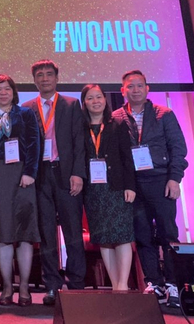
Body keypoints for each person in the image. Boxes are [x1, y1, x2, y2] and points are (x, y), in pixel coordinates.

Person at [112, 70, 188, 307]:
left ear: (147, 88)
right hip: (133, 185)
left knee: (168, 234)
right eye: (129, 87)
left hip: (161, 181)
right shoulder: (116, 117)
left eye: (139, 86)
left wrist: (174, 178)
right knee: (143, 235)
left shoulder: (164, 114)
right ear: (122, 91)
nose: (134, 90)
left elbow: (178, 148)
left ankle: (174, 284)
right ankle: (154, 282)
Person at [21, 60, 86, 305]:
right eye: (40, 75)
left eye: (49, 74)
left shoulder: (71, 104)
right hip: (40, 175)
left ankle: (76, 284)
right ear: (35, 80)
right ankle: (52, 286)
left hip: (66, 173)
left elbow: (79, 142)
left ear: (57, 78)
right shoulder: (27, 107)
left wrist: (78, 173)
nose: (45, 78)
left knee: (72, 232)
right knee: (47, 233)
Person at [0, 74, 40, 306]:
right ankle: (7, 286)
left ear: (13, 92)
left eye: (7, 89)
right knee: (3, 234)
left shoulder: (26, 113)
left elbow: (35, 144)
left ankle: (25, 287)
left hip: (22, 176)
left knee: (25, 235)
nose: (3, 93)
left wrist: (30, 172)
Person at [80, 84, 136, 291]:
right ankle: (115, 285)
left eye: (99, 97)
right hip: (94, 190)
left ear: (105, 100)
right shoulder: (81, 127)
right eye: (90, 98)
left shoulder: (117, 124)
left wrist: (130, 186)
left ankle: (123, 285)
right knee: (103, 238)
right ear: (84, 103)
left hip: (117, 187)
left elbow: (127, 157)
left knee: (122, 236)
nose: (95, 101)